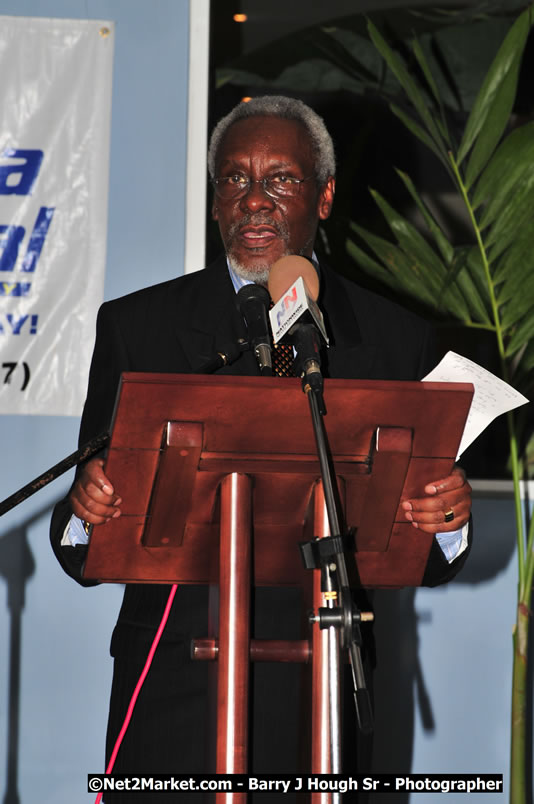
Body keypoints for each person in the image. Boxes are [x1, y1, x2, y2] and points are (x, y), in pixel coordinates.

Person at [50, 96, 472, 798]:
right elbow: (81, 541)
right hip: (175, 681)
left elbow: (424, 553)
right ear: (215, 201)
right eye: (235, 180)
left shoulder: (396, 339)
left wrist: (447, 520)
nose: (255, 201)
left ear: (325, 196)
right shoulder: (140, 327)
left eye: (281, 179)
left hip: (324, 694)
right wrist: (87, 506)